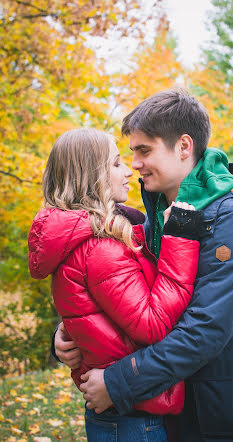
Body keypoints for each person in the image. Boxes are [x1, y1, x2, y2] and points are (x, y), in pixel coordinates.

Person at [53, 90, 233, 442]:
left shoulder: (232, 222)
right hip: (180, 413)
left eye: (144, 150)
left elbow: (204, 330)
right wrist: (69, 333)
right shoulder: (155, 221)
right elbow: (133, 305)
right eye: (132, 152)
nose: (134, 163)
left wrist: (118, 383)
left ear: (183, 146)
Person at [28, 127, 204, 441]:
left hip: (121, 412)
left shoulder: (89, 236)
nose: (128, 171)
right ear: (90, 175)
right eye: (116, 164)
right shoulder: (99, 247)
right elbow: (152, 325)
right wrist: (181, 240)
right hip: (132, 419)